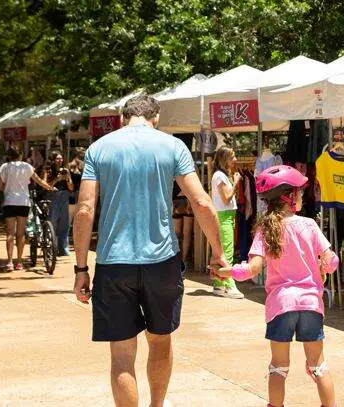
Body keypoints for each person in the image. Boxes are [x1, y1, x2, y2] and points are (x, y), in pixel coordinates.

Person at [72, 94, 227, 407]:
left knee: (121, 355)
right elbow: (201, 202)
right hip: (161, 261)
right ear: (155, 117)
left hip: (114, 263)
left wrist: (81, 269)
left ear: (124, 116)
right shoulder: (171, 146)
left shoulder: (99, 148)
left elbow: (85, 209)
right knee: (160, 342)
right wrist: (217, 252)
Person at [215, 165, 339, 407]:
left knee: (278, 368)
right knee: (318, 366)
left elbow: (251, 269)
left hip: (281, 305)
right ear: (288, 196)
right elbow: (331, 260)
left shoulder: (264, 230)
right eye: (300, 192)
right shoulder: (309, 225)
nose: (302, 196)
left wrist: (226, 271)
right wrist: (325, 266)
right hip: (311, 304)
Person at [0, 146, 55, 271]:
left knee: (10, 233)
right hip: (23, 202)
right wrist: (49, 187)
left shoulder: (5, 167)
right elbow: (39, 181)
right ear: (21, 154)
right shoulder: (27, 166)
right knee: (21, 233)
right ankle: (19, 262)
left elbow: (0, 186)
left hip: (9, 202)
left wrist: (8, 189)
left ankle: (9, 262)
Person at [210, 146, 244, 299]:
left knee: (220, 252)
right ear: (225, 159)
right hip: (224, 217)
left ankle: (218, 284)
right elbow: (226, 197)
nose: (235, 160)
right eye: (232, 157)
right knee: (227, 253)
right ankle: (229, 285)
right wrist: (236, 182)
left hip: (225, 216)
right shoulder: (220, 176)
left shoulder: (219, 175)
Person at [42, 150, 73, 255]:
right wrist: (57, 179)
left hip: (64, 196)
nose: (60, 160)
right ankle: (51, 247)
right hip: (52, 196)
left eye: (61, 158)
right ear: (53, 160)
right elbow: (45, 185)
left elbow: (71, 188)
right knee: (52, 222)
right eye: (57, 158)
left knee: (64, 224)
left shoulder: (65, 170)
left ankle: (63, 248)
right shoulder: (47, 170)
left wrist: (67, 178)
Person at [172, 180, 194, 268]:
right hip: (188, 200)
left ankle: (176, 258)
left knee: (176, 233)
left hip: (176, 200)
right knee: (187, 232)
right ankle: (183, 260)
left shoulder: (173, 167)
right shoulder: (192, 168)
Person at [67, 147, 85, 240]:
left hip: (71, 194)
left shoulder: (69, 165)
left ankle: (65, 241)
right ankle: (78, 239)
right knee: (80, 218)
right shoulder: (84, 166)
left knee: (69, 218)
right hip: (81, 194)